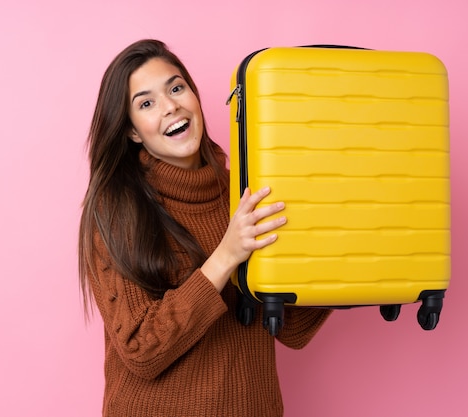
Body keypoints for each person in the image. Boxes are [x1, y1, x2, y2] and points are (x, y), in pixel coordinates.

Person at [78, 39, 331, 417]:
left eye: (177, 88)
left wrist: (342, 250)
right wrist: (226, 256)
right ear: (132, 131)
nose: (171, 106)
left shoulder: (246, 194)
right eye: (146, 104)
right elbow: (140, 349)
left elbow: (291, 328)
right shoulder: (115, 211)